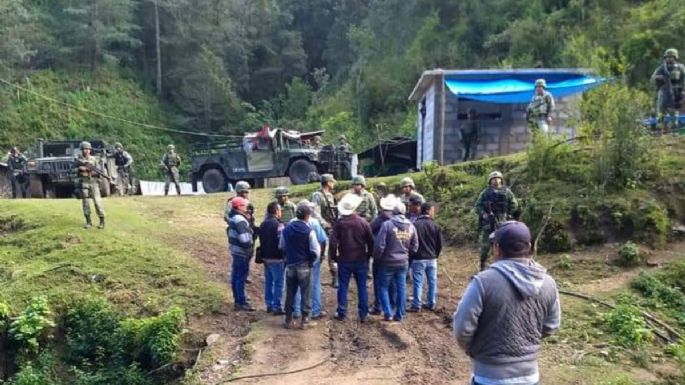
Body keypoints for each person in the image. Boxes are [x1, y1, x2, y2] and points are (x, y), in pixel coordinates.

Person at [452, 221, 560, 385]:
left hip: (488, 377)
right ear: (529, 247)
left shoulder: (483, 282)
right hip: (530, 376)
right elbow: (551, 325)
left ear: (496, 249)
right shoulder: (548, 283)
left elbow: (462, 329)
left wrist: (474, 349)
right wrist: (526, 342)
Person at [329, 194, 374, 322]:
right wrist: (368, 255)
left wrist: (334, 257)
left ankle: (342, 312)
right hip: (360, 259)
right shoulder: (363, 222)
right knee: (362, 287)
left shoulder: (339, 223)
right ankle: (363, 314)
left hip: (344, 258)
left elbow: (333, 243)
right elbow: (371, 241)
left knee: (343, 286)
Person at [373, 199, 418, 322]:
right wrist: (406, 253)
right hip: (403, 262)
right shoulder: (411, 226)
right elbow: (415, 246)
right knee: (401, 288)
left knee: (382, 287)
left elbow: (379, 245)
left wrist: (378, 257)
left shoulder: (387, 225)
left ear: (394, 212)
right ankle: (400, 314)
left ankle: (387, 313)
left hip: (387, 262)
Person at [280, 203, 321, 329]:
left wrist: (288, 258)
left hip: (290, 266)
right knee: (306, 294)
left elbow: (281, 246)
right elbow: (316, 251)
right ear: (308, 216)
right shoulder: (309, 231)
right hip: (304, 266)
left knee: (290, 293)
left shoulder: (286, 229)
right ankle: (304, 321)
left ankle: (288, 319)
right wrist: (311, 262)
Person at [475, 171, 519, 271]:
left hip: (503, 221)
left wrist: (507, 214)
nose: (496, 180)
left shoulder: (507, 192)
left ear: (501, 180)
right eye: (493, 179)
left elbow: (514, 204)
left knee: (503, 243)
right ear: (490, 181)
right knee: (486, 245)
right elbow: (477, 206)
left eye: (498, 178)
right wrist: (484, 214)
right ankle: (483, 265)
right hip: (489, 221)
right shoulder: (485, 193)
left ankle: (503, 264)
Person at [292, 199, 329, 320]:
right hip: (312, 258)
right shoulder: (314, 223)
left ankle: (297, 311)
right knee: (314, 284)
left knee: (296, 285)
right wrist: (321, 255)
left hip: (296, 258)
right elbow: (322, 240)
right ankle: (315, 311)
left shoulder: (291, 223)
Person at [407, 202, 442, 312]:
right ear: (428, 211)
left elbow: (411, 242)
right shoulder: (435, 225)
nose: (433, 212)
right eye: (433, 210)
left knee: (418, 281)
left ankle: (416, 304)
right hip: (432, 258)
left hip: (418, 258)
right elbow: (439, 244)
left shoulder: (415, 225)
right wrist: (435, 255)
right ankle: (431, 302)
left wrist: (411, 255)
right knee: (432, 281)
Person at [369, 194, 398, 315]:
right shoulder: (397, 220)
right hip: (395, 255)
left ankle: (378, 306)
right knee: (393, 282)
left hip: (380, 256)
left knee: (379, 283)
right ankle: (392, 304)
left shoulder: (378, 220)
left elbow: (370, 235)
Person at [227, 196, 255, 311]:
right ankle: (241, 301)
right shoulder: (240, 221)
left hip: (235, 251)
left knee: (235, 276)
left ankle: (237, 299)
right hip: (242, 253)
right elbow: (244, 239)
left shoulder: (233, 218)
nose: (247, 208)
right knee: (241, 277)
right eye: (244, 206)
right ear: (239, 207)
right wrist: (250, 245)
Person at [312, 173, 339, 287]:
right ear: (328, 182)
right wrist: (324, 224)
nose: (333, 184)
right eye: (332, 182)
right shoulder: (318, 195)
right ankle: (314, 276)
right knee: (319, 252)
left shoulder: (330, 195)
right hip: (321, 228)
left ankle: (335, 276)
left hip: (331, 227)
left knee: (332, 252)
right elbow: (315, 212)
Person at [259, 202, 285, 315]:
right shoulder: (279, 225)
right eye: (280, 210)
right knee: (279, 283)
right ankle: (277, 306)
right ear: (276, 211)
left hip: (265, 257)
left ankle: (269, 304)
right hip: (277, 258)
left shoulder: (263, 224)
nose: (281, 212)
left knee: (268, 282)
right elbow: (282, 242)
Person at [73, 141, 106, 229]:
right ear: (81, 150)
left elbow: (99, 172)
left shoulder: (94, 159)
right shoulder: (77, 160)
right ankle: (88, 221)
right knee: (86, 203)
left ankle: (102, 220)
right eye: (85, 149)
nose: (87, 151)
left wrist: (90, 172)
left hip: (93, 183)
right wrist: (80, 169)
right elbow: (72, 171)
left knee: (97, 202)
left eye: (88, 149)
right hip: (83, 183)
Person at [651, 48, 685, 133]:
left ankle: (674, 131)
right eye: (667, 57)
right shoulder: (662, 68)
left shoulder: (680, 67)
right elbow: (652, 78)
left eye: (671, 57)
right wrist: (658, 77)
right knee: (661, 112)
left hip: (676, 92)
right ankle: (659, 130)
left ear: (675, 57)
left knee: (675, 113)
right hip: (664, 92)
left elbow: (684, 79)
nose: (669, 59)